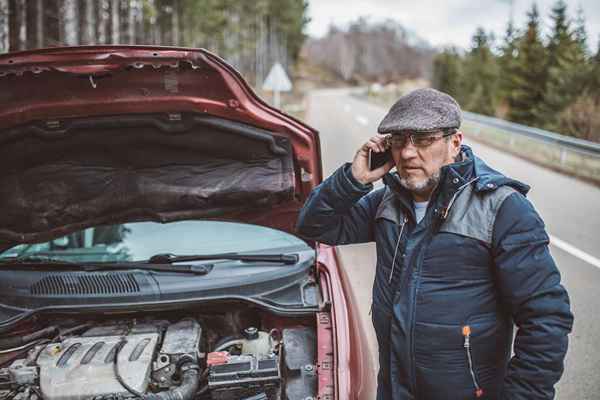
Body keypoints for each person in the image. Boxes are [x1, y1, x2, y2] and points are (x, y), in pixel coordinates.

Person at [296, 88, 573, 400]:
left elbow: (546, 318)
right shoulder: (387, 201)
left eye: (424, 139)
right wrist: (354, 179)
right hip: (395, 389)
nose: (408, 153)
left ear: (454, 143)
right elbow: (315, 225)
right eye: (398, 140)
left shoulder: (502, 209)